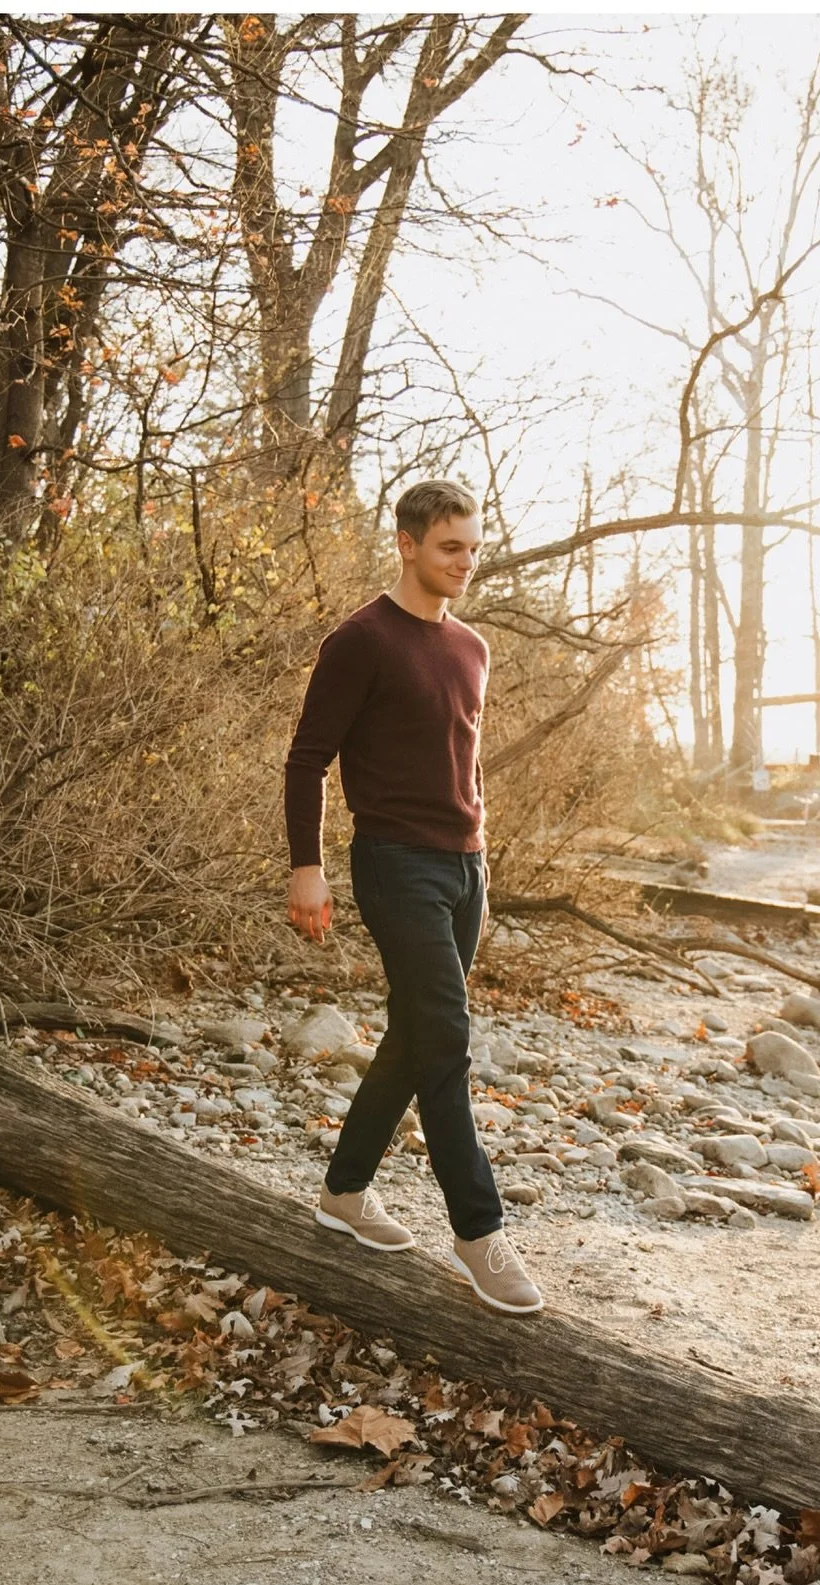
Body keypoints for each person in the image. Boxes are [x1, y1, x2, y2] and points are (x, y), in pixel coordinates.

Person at [283, 479, 544, 1315]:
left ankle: (344, 1191)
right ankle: (479, 1232)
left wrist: (480, 858)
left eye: (473, 548)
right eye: (449, 547)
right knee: (446, 1039)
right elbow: (307, 760)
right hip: (394, 864)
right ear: (407, 544)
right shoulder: (360, 640)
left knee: (414, 1033)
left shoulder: (472, 647)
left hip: (465, 869)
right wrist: (305, 865)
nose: (465, 562)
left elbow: (466, 760)